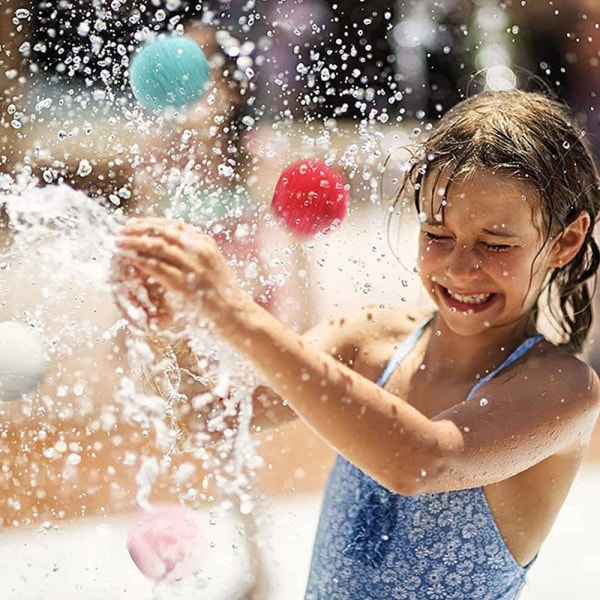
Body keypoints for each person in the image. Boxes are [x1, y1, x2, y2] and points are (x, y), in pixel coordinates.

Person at [111, 89, 600, 598]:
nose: (459, 267)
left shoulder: (562, 390)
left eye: (495, 245)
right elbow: (212, 421)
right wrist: (170, 327)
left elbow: (421, 462)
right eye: (437, 233)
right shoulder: (368, 343)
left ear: (565, 241)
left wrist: (232, 312)